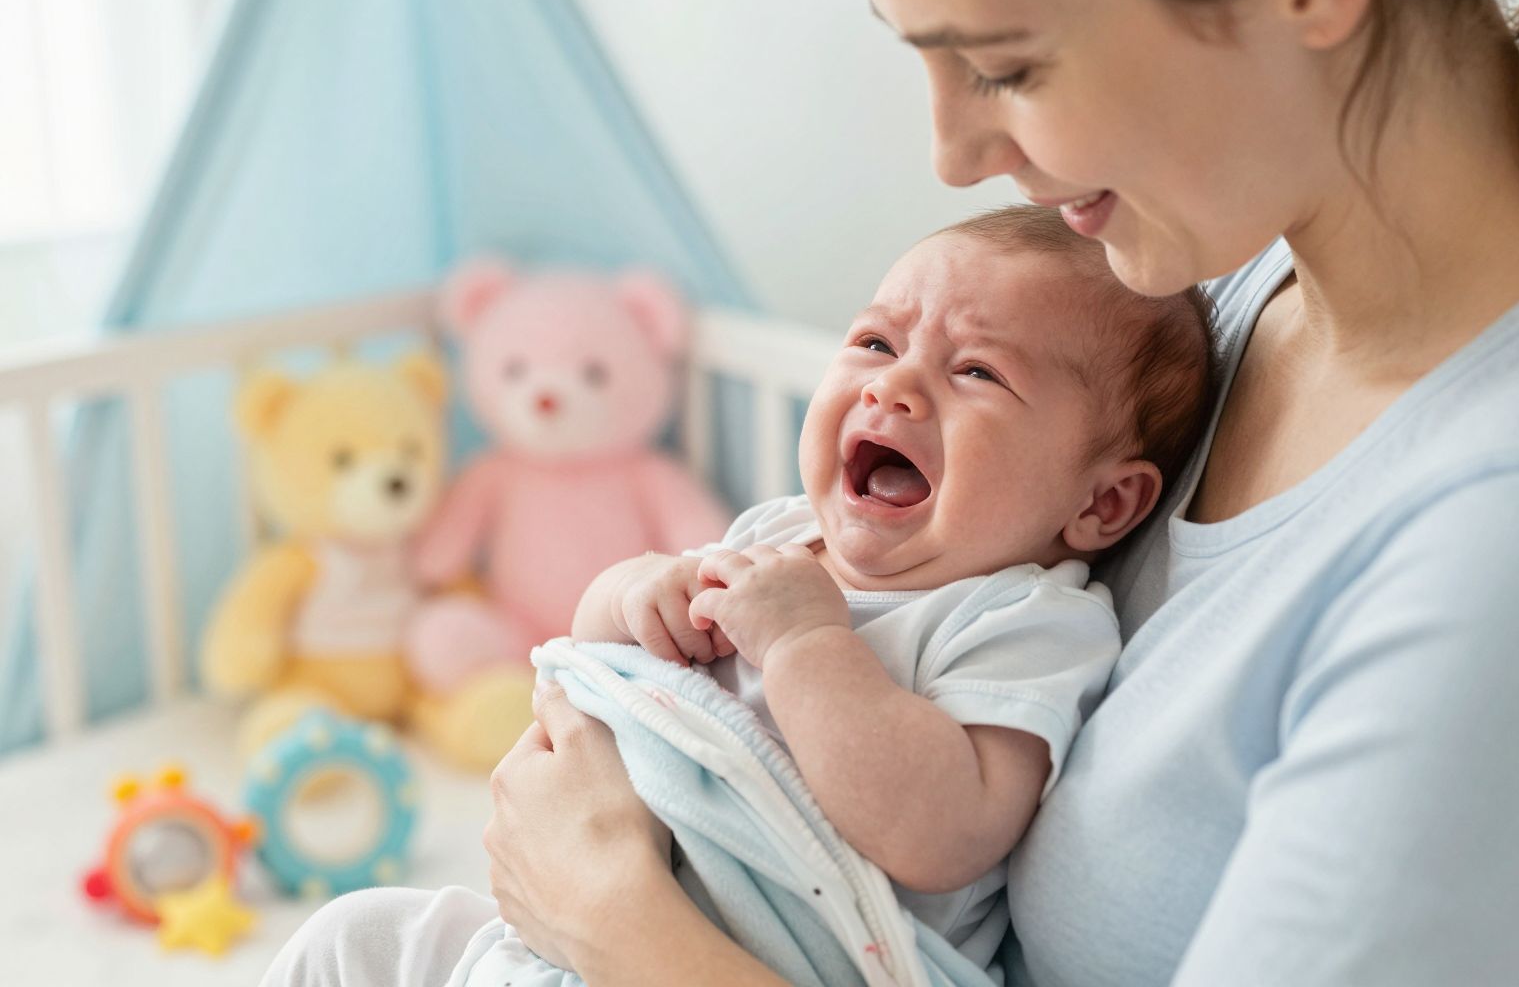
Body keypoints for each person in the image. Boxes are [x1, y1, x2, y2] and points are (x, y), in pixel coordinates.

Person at [271, 0, 1519, 984]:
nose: (951, 150)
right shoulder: (1206, 282)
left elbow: (933, 806)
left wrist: (626, 931)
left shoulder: (1485, 549)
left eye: (1007, 64)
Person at [261, 204, 1217, 983]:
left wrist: (808, 647)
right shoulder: (772, 535)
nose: (896, 391)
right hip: (559, 933)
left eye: (977, 372)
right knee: (356, 938)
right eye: (877, 343)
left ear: (1102, 504)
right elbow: (600, 661)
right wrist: (636, 591)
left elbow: (945, 833)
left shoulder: (1024, 619)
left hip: (762, 957)